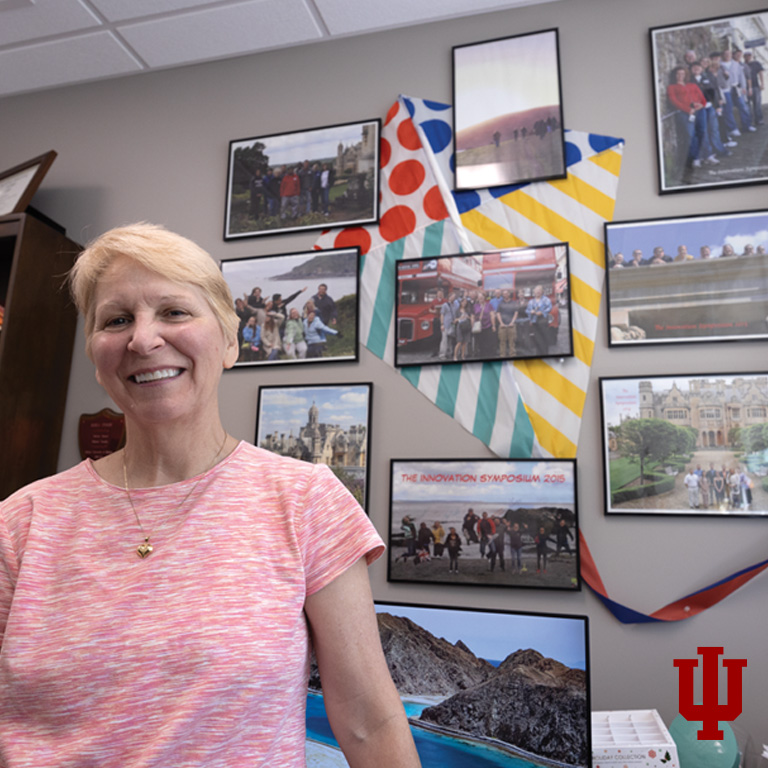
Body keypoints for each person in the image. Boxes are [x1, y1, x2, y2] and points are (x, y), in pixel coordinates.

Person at [0, 223, 421, 767]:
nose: (143, 339)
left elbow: (369, 724)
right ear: (95, 356)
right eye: (117, 319)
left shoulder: (305, 501)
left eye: (174, 311)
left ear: (229, 343)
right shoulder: (22, 522)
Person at [526, 284, 553, 356]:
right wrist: (530, 312)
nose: (538, 292)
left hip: (543, 320)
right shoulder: (531, 301)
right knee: (537, 338)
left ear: (542, 291)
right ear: (534, 292)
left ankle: (545, 354)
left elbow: (549, 308)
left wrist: (542, 312)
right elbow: (527, 310)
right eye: (536, 290)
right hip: (534, 321)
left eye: (539, 290)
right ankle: (538, 354)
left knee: (544, 337)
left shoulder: (546, 299)